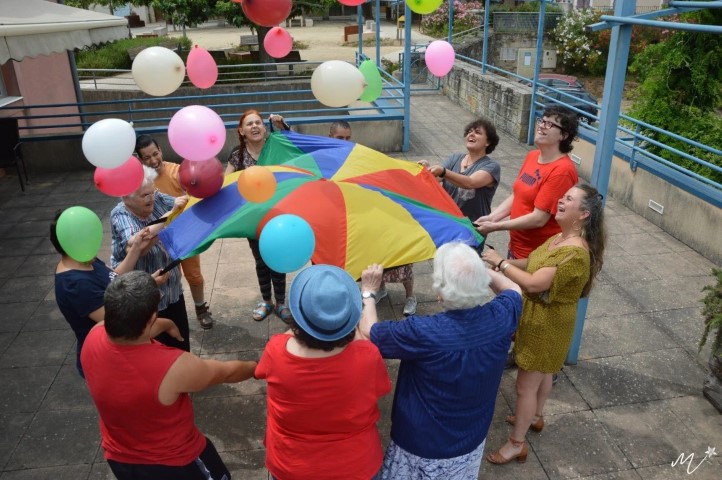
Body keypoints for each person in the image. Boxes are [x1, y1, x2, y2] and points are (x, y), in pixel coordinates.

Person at [357, 243, 522, 479]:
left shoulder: (423, 332)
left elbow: (370, 331)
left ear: (439, 293)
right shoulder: (501, 317)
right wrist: (477, 272)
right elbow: (513, 287)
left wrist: (369, 293)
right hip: (472, 437)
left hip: (423, 445)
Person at [81, 271, 257, 479]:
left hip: (121, 458)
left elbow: (133, 330)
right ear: (151, 317)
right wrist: (259, 366)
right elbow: (227, 373)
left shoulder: (93, 337)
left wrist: (167, 324)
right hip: (177, 463)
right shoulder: (174, 367)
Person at [481, 184, 605, 465]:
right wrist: (503, 263)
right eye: (563, 195)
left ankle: (516, 444)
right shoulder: (559, 239)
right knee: (545, 373)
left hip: (546, 326)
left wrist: (500, 263)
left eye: (569, 199)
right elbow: (533, 263)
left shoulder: (574, 253)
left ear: (583, 213)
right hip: (543, 319)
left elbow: (536, 283)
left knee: (525, 385)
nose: (561, 200)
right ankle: (535, 416)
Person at [255, 264, 391, 480]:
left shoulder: (276, 351)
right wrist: (368, 294)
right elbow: (369, 338)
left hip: (291, 466)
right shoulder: (367, 355)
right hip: (356, 466)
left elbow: (261, 370)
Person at [52, 209, 154, 378]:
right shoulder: (75, 285)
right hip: (107, 360)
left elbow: (114, 277)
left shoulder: (84, 257)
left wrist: (136, 248)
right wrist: (149, 292)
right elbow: (119, 322)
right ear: (70, 241)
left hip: (119, 352)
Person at [330, 120, 417, 315]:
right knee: (373, 256)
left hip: (375, 211)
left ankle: (411, 296)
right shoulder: (327, 158)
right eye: (339, 138)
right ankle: (381, 289)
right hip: (354, 216)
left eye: (347, 137)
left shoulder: (358, 155)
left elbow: (384, 169)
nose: (345, 141)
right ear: (330, 137)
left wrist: (413, 170)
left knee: (402, 256)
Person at [475, 105, 580, 260]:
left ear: (563, 135)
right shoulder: (532, 156)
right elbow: (518, 195)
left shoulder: (562, 171)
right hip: (517, 246)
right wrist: (492, 217)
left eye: (550, 124)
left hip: (537, 254)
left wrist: (496, 226)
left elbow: (539, 219)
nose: (542, 126)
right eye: (542, 121)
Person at [135, 134, 214, 330]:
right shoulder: (140, 180)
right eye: (147, 158)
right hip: (156, 236)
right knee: (163, 277)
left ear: (161, 150)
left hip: (183, 234)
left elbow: (195, 198)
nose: (154, 160)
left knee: (193, 274)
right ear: (139, 158)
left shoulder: (177, 172)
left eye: (155, 154)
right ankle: (163, 314)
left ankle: (201, 308)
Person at [110, 168, 191, 351]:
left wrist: (183, 201)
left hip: (171, 289)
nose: (151, 198)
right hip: (141, 298)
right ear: (126, 198)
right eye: (144, 195)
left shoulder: (157, 197)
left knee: (180, 341)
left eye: (152, 192)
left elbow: (184, 205)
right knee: (154, 349)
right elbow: (137, 243)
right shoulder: (120, 214)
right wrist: (169, 215)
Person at [226, 110, 292, 323]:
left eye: (258, 123)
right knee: (261, 260)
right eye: (249, 124)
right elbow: (226, 185)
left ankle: (281, 303)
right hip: (252, 217)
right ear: (241, 130)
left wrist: (285, 127)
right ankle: (267, 301)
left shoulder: (276, 144)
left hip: (277, 212)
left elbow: (297, 148)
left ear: (264, 128)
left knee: (278, 257)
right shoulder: (238, 155)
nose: (254, 126)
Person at [419, 118, 501, 228]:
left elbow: (470, 183)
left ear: (488, 142)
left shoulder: (491, 166)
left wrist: (443, 172)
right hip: (446, 222)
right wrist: (427, 169)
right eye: (469, 132)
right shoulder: (455, 158)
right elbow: (436, 178)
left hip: (470, 228)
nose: (471, 134)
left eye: (477, 132)